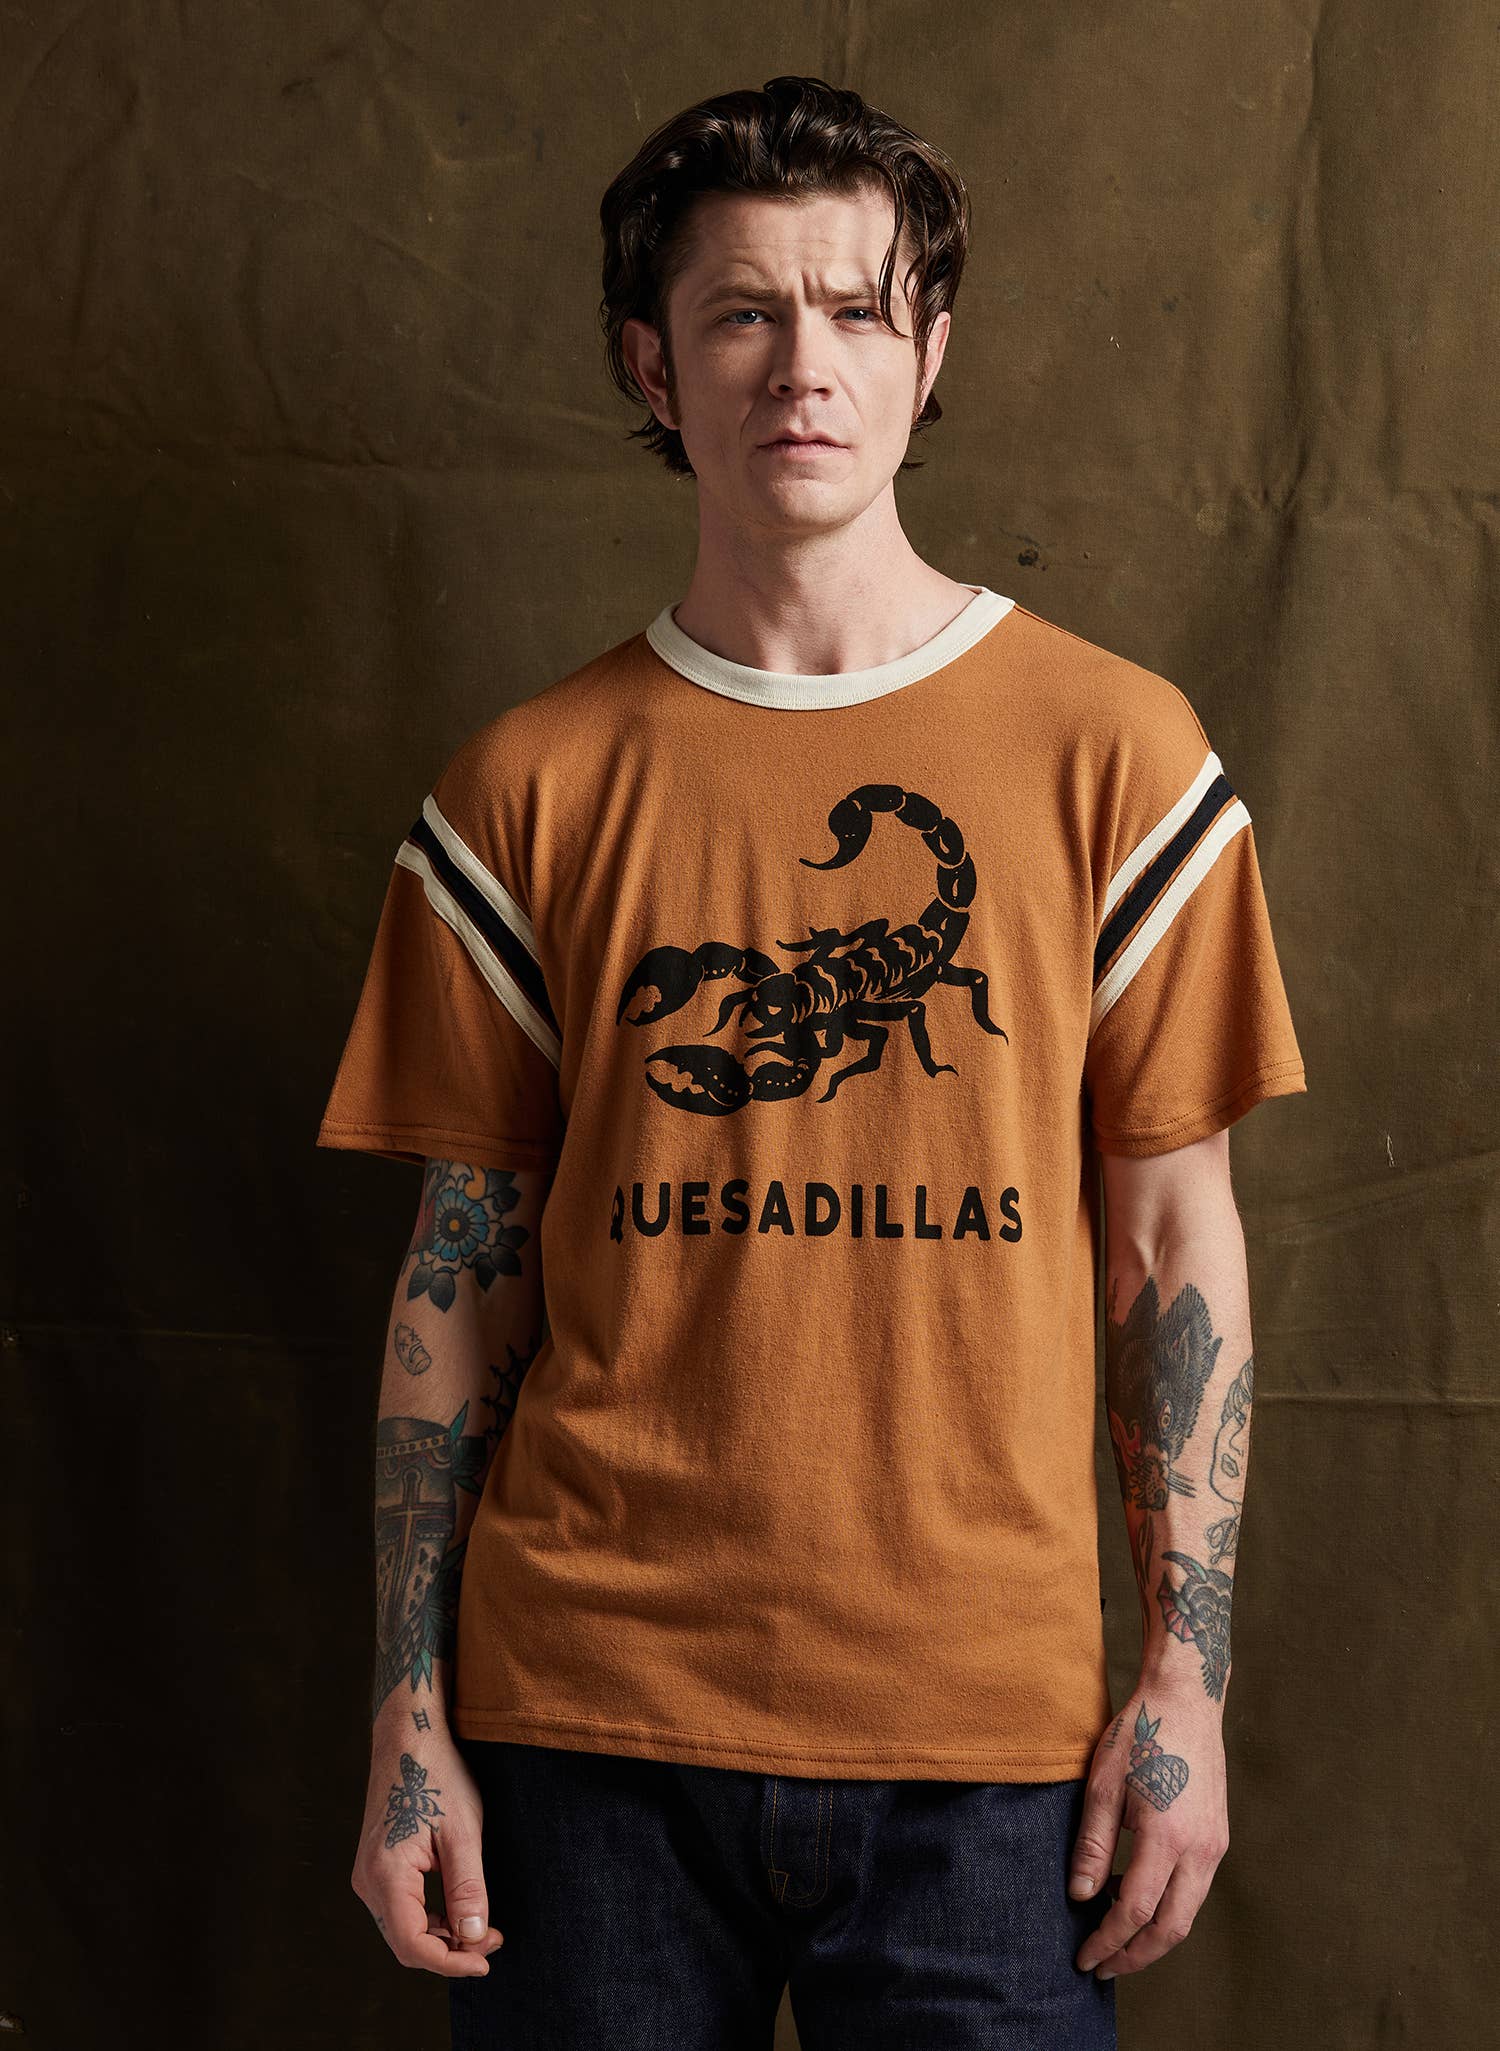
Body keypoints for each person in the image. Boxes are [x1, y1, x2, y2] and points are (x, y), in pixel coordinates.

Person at [316, 73, 1307, 2051]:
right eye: (742, 314)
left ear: (930, 352)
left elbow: (1173, 1246)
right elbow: (460, 1275)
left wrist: (1185, 1681)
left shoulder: (1116, 755)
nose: (803, 367)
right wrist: (405, 1711)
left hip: (987, 1740)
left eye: (858, 309)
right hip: (586, 1717)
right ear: (653, 363)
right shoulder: (527, 785)